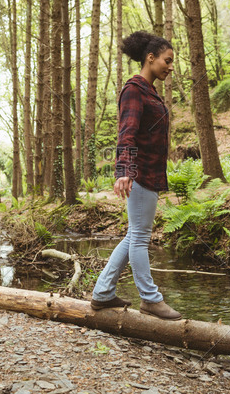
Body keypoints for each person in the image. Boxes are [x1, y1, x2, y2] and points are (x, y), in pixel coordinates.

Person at [90, 31, 182, 321]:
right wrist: (124, 171)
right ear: (150, 58)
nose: (170, 66)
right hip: (140, 172)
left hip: (150, 173)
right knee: (140, 237)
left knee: (134, 235)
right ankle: (150, 299)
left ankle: (103, 294)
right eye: (167, 61)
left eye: (172, 62)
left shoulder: (149, 90)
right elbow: (126, 133)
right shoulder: (134, 89)